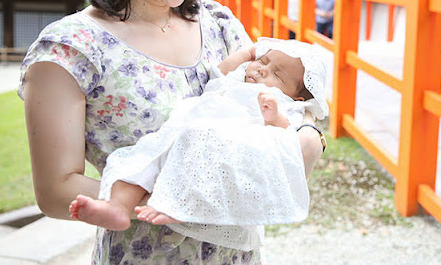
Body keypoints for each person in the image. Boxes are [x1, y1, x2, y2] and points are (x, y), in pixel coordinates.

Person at [17, 0, 324, 264]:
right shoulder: (72, 50)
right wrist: (175, 189)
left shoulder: (220, 26)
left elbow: (286, 102)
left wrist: (309, 139)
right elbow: (55, 190)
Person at [68, 38, 328, 252]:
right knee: (143, 160)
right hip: (184, 136)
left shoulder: (287, 104)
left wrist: (275, 118)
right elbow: (219, 73)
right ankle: (118, 207)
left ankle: (182, 205)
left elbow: (286, 139)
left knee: (200, 166)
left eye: (277, 74)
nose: (262, 70)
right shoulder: (236, 80)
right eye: (262, 61)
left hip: (227, 146)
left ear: (295, 95)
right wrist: (245, 54)